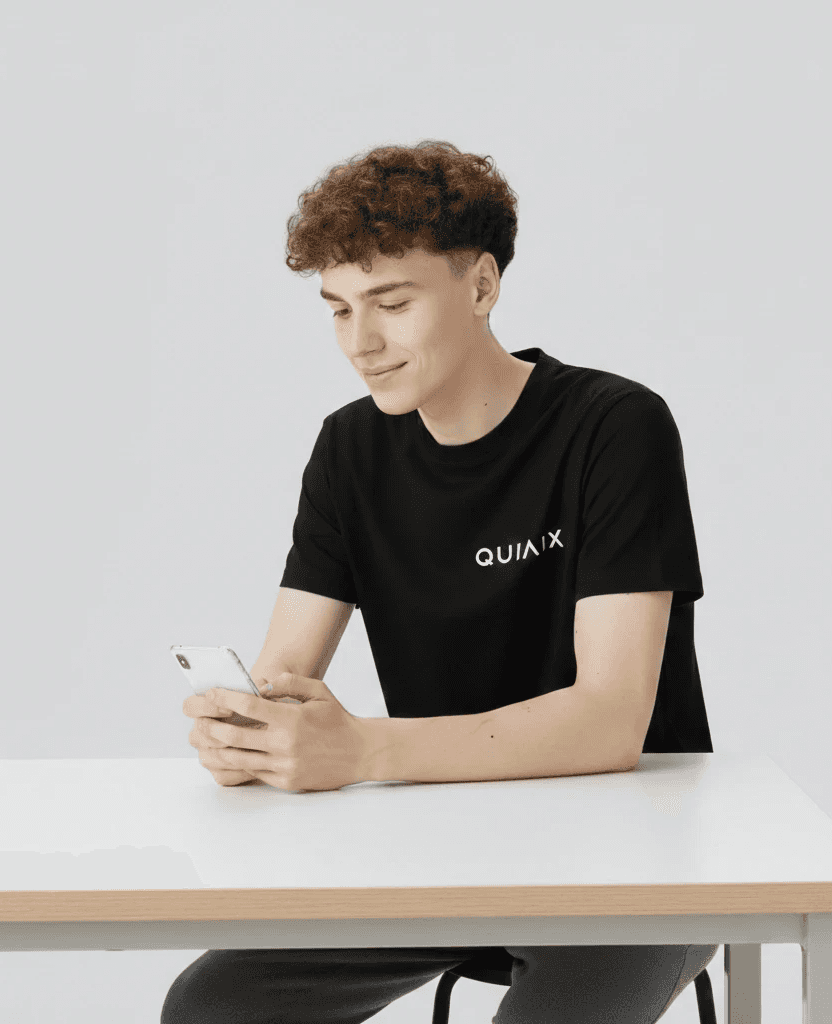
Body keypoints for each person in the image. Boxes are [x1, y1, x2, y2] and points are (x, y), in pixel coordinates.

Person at [164, 139, 718, 1024]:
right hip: (442, 842)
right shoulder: (350, 449)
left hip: (634, 851)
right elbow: (285, 674)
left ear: (482, 286)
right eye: (339, 310)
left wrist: (359, 752)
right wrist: (254, 736)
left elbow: (612, 720)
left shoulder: (615, 426)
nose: (361, 343)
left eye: (392, 303)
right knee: (213, 1009)